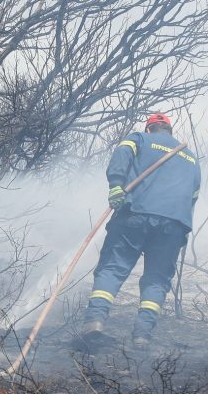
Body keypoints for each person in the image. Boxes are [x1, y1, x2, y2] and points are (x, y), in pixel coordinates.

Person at [81, 113, 201, 348]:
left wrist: (116, 186)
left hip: (135, 214)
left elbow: (121, 154)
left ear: (149, 128)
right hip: (174, 225)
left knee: (113, 267)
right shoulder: (191, 157)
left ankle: (95, 321)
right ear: (169, 130)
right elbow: (194, 195)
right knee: (157, 279)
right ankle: (142, 336)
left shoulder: (139, 139)